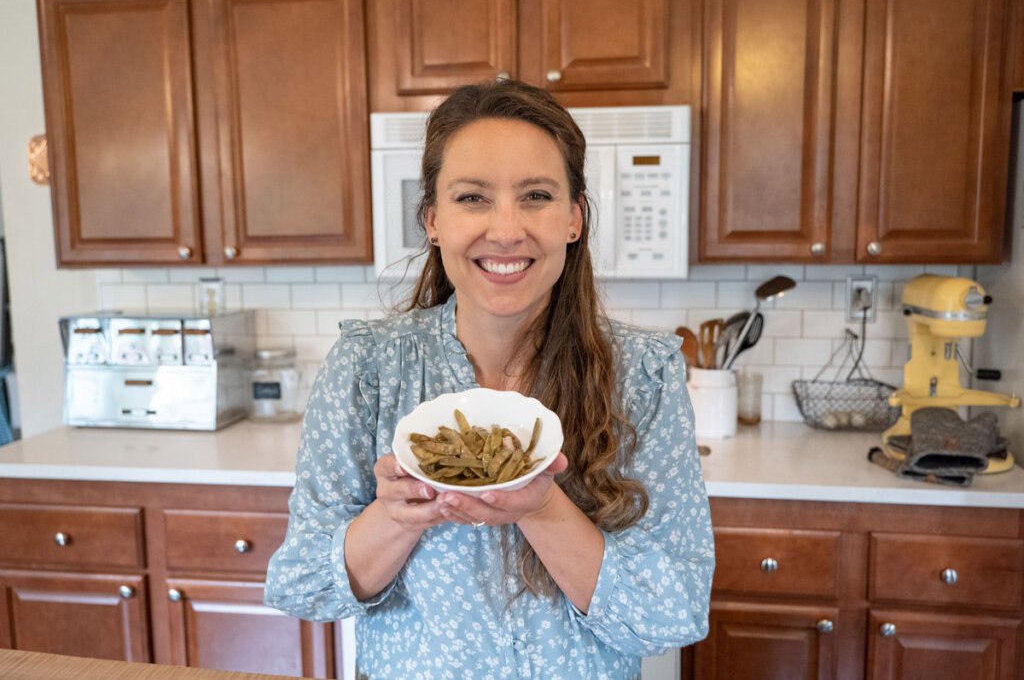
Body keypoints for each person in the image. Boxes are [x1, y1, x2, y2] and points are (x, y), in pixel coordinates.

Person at [264, 79, 714, 679]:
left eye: (535, 195)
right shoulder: (368, 367)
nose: (505, 230)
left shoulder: (643, 375)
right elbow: (301, 586)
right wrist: (395, 516)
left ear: (574, 219)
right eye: (473, 198)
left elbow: (673, 616)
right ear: (432, 220)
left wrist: (541, 505)